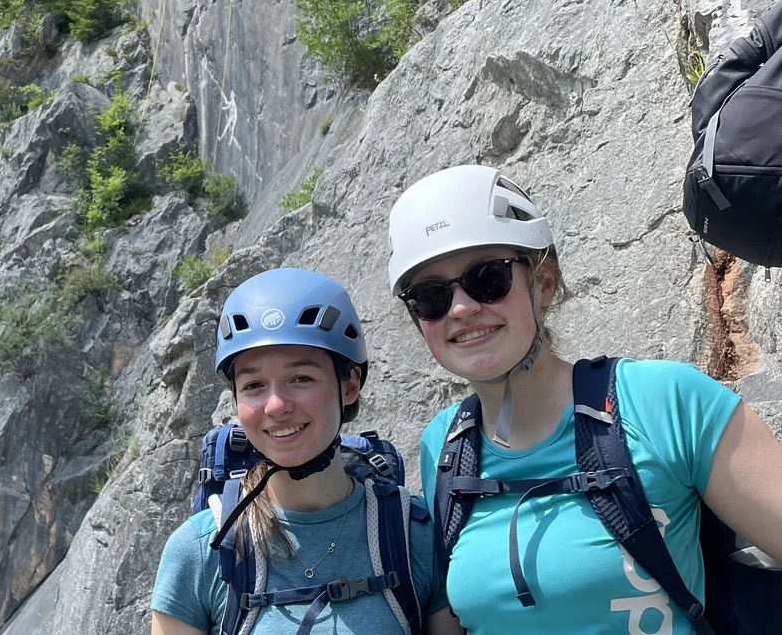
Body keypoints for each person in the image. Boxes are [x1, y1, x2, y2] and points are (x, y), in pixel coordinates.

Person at [387, 164, 782, 634]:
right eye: (431, 296)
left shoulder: (664, 401)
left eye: (487, 278)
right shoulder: (446, 447)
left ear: (544, 283)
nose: (461, 307)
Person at [150, 268, 461, 635]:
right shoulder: (202, 550)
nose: (276, 405)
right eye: (253, 385)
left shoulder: (414, 535)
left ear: (349, 386)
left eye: (301, 378)